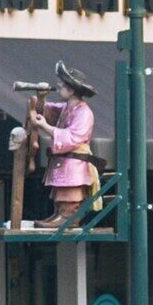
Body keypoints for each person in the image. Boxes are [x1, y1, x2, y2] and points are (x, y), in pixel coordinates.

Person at [33, 64, 100, 220]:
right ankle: (59, 214)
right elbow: (44, 111)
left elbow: (73, 137)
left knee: (70, 192)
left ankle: (67, 217)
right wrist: (41, 97)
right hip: (63, 161)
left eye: (62, 86)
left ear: (71, 91)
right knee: (60, 192)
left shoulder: (84, 113)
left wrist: (45, 127)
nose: (58, 87)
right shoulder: (65, 108)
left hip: (74, 162)